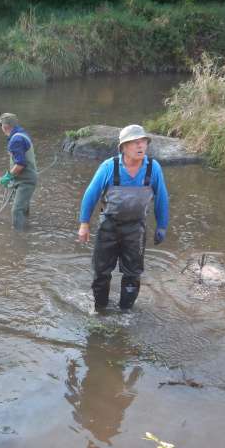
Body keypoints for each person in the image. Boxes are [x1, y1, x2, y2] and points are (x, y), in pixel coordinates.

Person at [77, 124, 169, 312]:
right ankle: (100, 309)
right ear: (123, 147)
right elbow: (91, 195)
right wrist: (84, 223)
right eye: (135, 142)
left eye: (143, 141)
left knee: (133, 274)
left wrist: (162, 226)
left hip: (136, 229)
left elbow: (162, 197)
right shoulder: (109, 167)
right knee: (101, 272)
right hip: (109, 227)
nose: (140, 145)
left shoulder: (153, 168)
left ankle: (125, 311)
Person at [0, 113, 38, 229]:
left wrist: (8, 176)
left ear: (5, 126)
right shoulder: (22, 134)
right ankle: (27, 226)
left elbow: (20, 164)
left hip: (25, 181)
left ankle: (19, 237)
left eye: (1, 125)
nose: (1, 128)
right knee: (23, 207)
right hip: (27, 177)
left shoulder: (16, 140)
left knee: (16, 210)